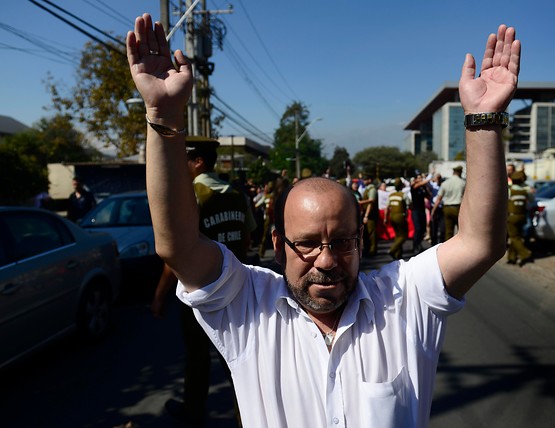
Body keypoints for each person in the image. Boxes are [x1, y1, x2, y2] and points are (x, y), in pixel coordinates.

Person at [127, 14, 519, 427]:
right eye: (308, 243)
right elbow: (177, 245)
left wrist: (483, 120)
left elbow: (481, 242)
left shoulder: (404, 300)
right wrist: (165, 116)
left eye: (343, 242)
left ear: (361, 243)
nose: (327, 260)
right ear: (278, 246)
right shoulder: (247, 308)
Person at [151, 139, 255, 427]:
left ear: (197, 162)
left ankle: (193, 410)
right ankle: (250, 414)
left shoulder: (190, 196)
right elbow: (247, 239)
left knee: (197, 357)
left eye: (185, 161)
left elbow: (176, 254)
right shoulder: (236, 194)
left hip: (200, 294)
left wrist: (160, 295)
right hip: (237, 291)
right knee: (236, 360)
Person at [506, 170, 534, 266]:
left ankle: (525, 253)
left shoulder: (510, 190)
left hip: (512, 217)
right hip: (522, 216)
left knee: (513, 237)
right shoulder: (525, 191)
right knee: (517, 236)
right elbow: (531, 201)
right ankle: (511, 257)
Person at [432, 165, 466, 241]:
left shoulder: (445, 183)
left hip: (447, 208)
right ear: (460, 172)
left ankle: (448, 247)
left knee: (448, 231)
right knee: (461, 231)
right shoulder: (463, 183)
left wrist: (433, 210)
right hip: (458, 208)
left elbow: (438, 199)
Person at [385, 178, 410, 260]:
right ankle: (392, 250)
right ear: (402, 186)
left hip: (392, 216)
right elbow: (410, 204)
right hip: (400, 216)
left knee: (397, 235)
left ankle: (398, 254)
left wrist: (385, 218)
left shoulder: (391, 195)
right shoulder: (403, 195)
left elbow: (387, 208)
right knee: (403, 236)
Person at [359, 175, 379, 256]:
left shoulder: (372, 189)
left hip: (371, 215)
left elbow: (371, 202)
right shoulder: (367, 189)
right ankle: (367, 249)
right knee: (366, 233)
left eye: (365, 179)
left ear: (370, 180)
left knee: (371, 233)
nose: (364, 181)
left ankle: (372, 250)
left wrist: (366, 215)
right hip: (366, 213)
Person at [410, 174, 431, 253]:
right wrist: (427, 179)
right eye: (419, 178)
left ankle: (419, 243)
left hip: (422, 211)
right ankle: (415, 246)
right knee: (418, 229)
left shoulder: (422, 188)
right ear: (415, 179)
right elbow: (419, 184)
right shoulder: (414, 186)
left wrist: (426, 187)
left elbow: (428, 196)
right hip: (416, 211)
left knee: (422, 230)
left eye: (421, 178)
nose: (421, 179)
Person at [428, 173, 444, 244]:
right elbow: (426, 182)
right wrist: (431, 175)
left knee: (442, 228)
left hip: (441, 208)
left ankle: (441, 242)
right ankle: (433, 242)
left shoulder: (443, 186)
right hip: (434, 208)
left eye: (440, 178)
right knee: (434, 227)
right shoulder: (433, 186)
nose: (439, 180)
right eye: (437, 178)